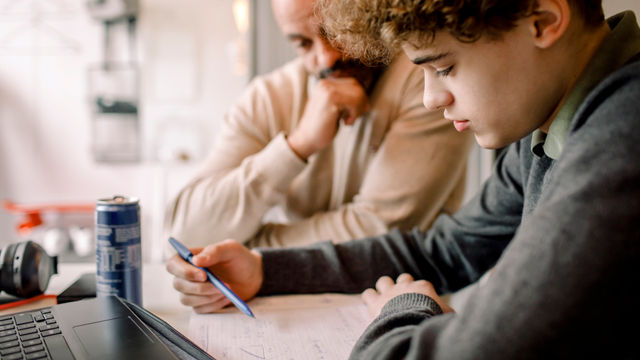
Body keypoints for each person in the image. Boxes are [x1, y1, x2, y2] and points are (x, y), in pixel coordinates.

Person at [166, 0, 640, 358]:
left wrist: (407, 312)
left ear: (542, 21)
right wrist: (266, 271)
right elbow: (444, 251)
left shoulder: (622, 135)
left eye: (444, 67)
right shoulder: (545, 128)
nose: (432, 97)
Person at [164, 0, 472, 249]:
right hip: (283, 306)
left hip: (400, 309)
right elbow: (183, 232)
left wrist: (246, 248)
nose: (326, 58)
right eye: (302, 43)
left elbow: (379, 231)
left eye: (335, 32)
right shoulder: (268, 97)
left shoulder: (426, 77)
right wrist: (296, 147)